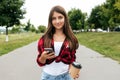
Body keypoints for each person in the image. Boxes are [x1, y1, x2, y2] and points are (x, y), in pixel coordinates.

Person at [37, 5, 79, 80]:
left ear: (65, 18)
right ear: (50, 21)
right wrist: (43, 57)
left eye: (60, 17)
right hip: (48, 77)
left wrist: (74, 72)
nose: (57, 21)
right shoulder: (44, 39)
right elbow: (40, 62)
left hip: (66, 76)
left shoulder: (71, 39)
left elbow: (72, 59)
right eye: (54, 18)